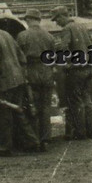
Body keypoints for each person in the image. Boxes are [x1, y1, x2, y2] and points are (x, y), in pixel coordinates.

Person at [0, 13, 39, 156]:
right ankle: (33, 142)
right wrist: (21, 74)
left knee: (3, 117)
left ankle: (4, 148)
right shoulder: (6, 34)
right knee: (19, 112)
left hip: (5, 83)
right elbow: (22, 57)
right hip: (18, 80)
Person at [50, 6, 92, 141]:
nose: (56, 23)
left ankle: (79, 133)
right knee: (87, 100)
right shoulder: (81, 27)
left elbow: (64, 48)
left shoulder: (67, 29)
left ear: (62, 16)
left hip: (75, 70)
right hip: (87, 68)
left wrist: (65, 63)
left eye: (57, 19)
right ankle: (91, 132)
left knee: (75, 102)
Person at [16, 9, 57, 151]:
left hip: (31, 72)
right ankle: (45, 139)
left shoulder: (22, 36)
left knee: (31, 107)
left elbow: (18, 57)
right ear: (39, 20)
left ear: (28, 19)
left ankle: (34, 140)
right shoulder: (49, 36)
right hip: (47, 72)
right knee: (45, 107)